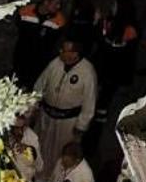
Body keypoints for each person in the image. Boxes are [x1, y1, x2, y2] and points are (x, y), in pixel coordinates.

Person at [29, 39, 97, 171]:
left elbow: (89, 102)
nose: (60, 52)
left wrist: (81, 127)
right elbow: (39, 86)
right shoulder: (55, 64)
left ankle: (52, 181)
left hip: (68, 123)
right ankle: (36, 175)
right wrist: (33, 108)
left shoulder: (87, 72)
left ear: (74, 54)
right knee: (39, 146)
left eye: (64, 50)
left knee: (58, 153)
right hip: (46, 116)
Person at [14, 0, 67, 88]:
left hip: (40, 63)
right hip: (21, 58)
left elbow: (54, 43)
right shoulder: (25, 12)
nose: (58, 6)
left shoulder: (59, 21)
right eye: (56, 3)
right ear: (46, 2)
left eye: (60, 4)